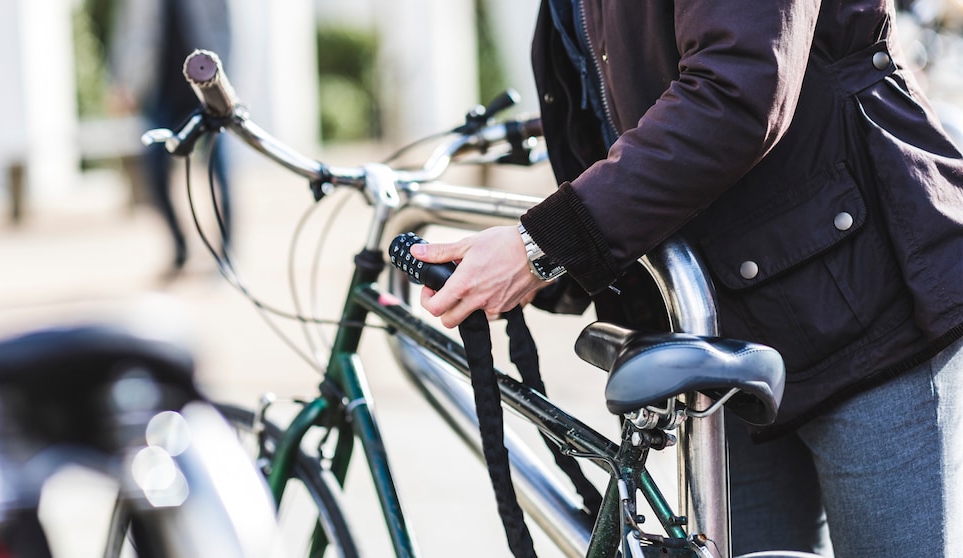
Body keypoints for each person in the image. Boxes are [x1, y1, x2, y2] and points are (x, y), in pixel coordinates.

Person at [412, 1, 963, 556]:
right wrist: (541, 268)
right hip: (724, 328)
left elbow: (737, 90)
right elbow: (606, 118)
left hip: (869, 304)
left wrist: (539, 248)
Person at [108, 0, 234, 277]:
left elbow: (228, 27)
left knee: (219, 171)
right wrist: (121, 81)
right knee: (153, 172)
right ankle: (179, 246)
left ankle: (227, 254)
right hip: (159, 91)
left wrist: (228, 87)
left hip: (208, 92)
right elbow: (126, 31)